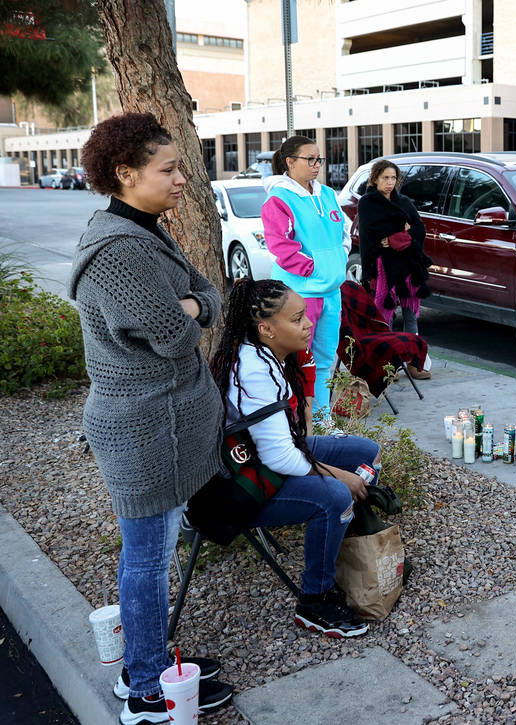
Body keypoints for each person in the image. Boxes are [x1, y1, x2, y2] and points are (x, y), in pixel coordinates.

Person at [69, 112, 233, 724]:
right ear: (126, 173)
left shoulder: (143, 230)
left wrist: (194, 305)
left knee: (154, 552)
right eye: (168, 169)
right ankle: (143, 688)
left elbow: (207, 295)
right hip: (141, 431)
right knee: (147, 558)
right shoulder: (116, 251)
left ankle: (152, 660)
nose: (181, 178)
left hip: (164, 423)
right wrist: (193, 307)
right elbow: (173, 333)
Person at [210, 278, 380, 638]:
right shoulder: (254, 369)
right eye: (298, 319)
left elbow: (292, 440)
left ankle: (345, 556)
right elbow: (282, 458)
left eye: (305, 316)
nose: (308, 325)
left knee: (367, 454)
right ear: (266, 328)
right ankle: (315, 600)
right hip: (240, 486)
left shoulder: (267, 354)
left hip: (268, 461)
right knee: (335, 495)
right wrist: (341, 478)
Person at [261, 135, 350, 421]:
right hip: (301, 294)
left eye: (319, 159)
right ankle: (299, 423)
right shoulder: (278, 199)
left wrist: (340, 259)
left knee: (325, 360)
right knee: (299, 361)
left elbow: (344, 232)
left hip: (331, 292)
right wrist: (316, 269)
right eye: (310, 159)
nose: (316, 166)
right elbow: (280, 245)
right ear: (290, 162)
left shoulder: (327, 194)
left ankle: (322, 421)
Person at [355, 159, 432, 379]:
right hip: (383, 267)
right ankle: (388, 365)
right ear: (375, 178)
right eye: (385, 178)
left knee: (411, 314)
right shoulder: (367, 203)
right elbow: (372, 233)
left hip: (407, 265)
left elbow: (419, 229)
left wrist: (396, 236)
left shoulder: (405, 202)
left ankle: (414, 362)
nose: (390, 182)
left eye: (393, 178)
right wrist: (400, 230)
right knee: (385, 315)